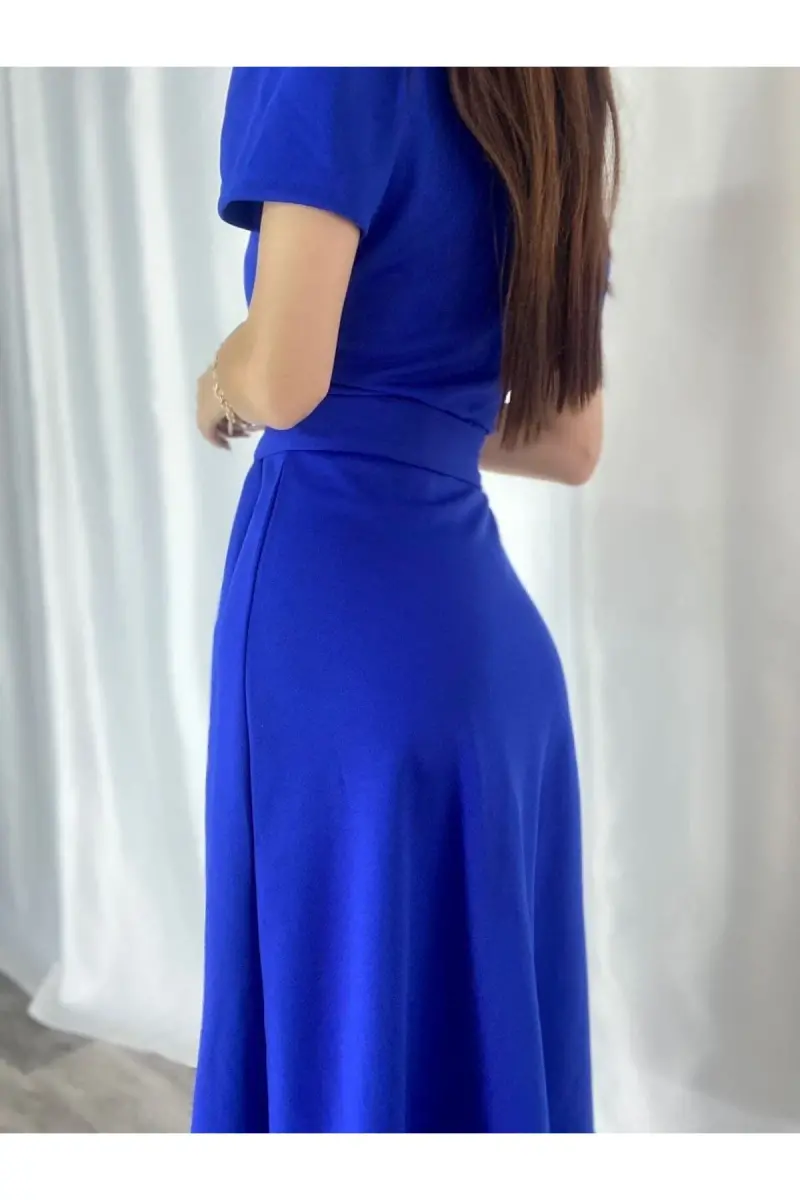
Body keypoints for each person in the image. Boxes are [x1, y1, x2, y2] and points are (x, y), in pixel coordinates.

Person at [191, 66, 618, 1134]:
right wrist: (419, 419)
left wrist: (218, 381)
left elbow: (282, 376)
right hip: (495, 672)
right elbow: (569, 442)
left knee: (335, 1043)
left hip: (338, 636)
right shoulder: (557, 91)